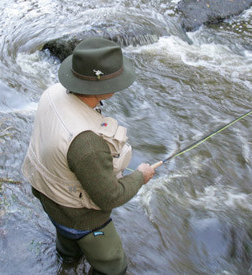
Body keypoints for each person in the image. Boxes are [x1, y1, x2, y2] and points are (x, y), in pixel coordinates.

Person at [22, 37, 158, 274]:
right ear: (102, 88)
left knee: (68, 241)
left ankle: (67, 260)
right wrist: (140, 176)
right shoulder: (87, 144)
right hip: (78, 215)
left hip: (45, 192)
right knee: (114, 265)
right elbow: (110, 197)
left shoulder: (53, 92)